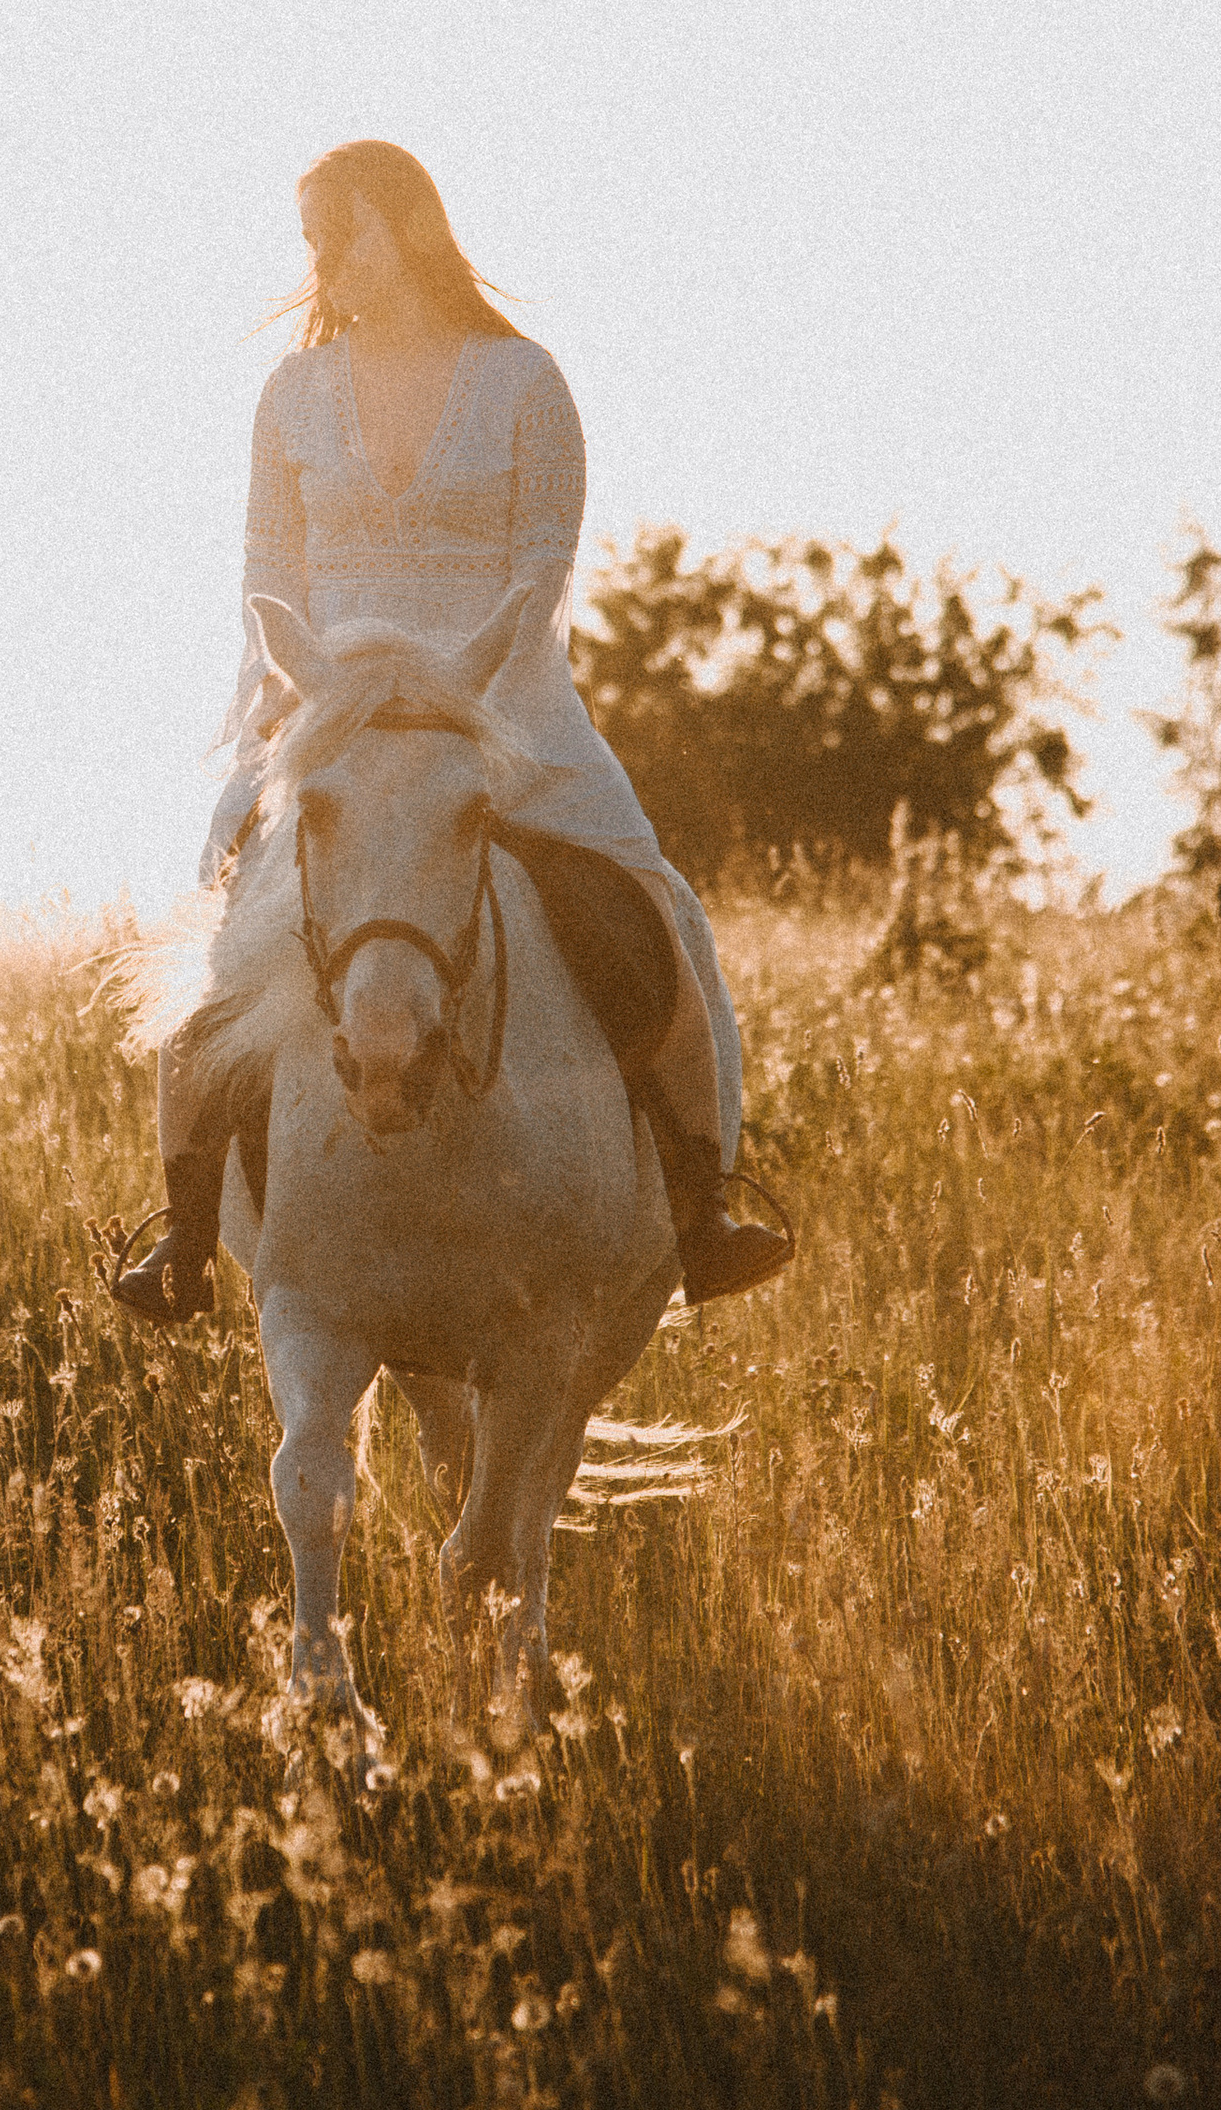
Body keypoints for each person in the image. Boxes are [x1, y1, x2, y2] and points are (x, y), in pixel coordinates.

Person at [113, 141, 794, 1321]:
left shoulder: (523, 382)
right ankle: (181, 1231)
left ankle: (701, 1207)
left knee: (647, 912)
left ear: (409, 229)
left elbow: (541, 571)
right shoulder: (291, 394)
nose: (323, 259)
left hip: (502, 708)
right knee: (218, 954)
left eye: (342, 232)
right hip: (330, 720)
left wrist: (461, 692)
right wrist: (314, 696)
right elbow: (268, 569)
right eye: (312, 236)